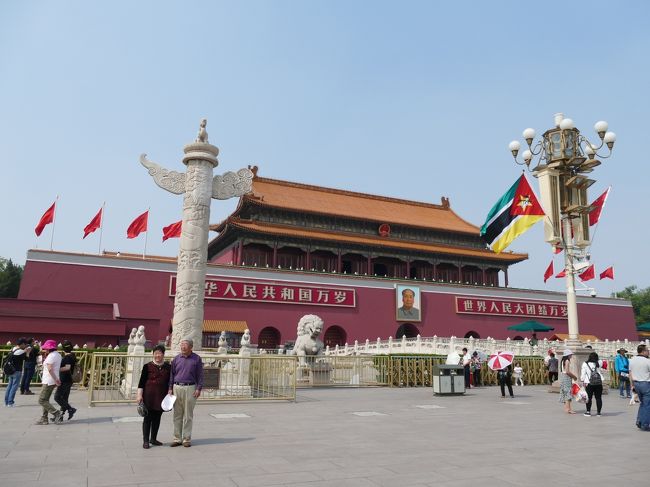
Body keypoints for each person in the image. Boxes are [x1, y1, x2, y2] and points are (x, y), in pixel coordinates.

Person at [168, 338, 204, 447]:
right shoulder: (176, 359)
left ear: (191, 347)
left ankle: (186, 439)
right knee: (177, 415)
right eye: (182, 344)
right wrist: (170, 388)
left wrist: (198, 388)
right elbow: (172, 375)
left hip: (190, 388)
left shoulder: (196, 359)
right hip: (177, 387)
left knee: (188, 415)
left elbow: (200, 375)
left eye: (185, 345)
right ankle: (177, 438)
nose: (182, 347)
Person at [137, 344, 171, 449]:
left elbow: (170, 381)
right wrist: (139, 395)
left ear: (163, 354)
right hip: (149, 396)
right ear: (153, 354)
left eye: (159, 353)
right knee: (147, 418)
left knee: (157, 418)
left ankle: (153, 438)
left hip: (161, 396)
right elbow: (141, 382)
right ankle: (146, 440)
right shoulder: (147, 366)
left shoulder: (168, 367)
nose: (157, 356)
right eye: (155, 354)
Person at [36, 340, 63, 425]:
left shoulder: (51, 356)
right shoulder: (58, 355)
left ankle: (56, 413)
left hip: (49, 380)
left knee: (41, 400)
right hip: (52, 380)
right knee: (45, 399)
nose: (45, 350)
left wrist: (55, 379)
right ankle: (44, 418)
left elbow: (50, 369)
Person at [629, 343, 650, 431]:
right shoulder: (647, 361)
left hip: (636, 384)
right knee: (647, 405)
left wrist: (632, 385)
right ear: (643, 351)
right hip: (646, 384)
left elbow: (630, 374)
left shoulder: (632, 360)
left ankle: (639, 421)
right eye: (647, 350)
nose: (648, 352)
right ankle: (645, 424)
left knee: (642, 403)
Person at [54, 340, 77, 421]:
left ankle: (71, 409)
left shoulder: (68, 357)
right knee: (64, 398)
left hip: (65, 379)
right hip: (69, 380)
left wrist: (56, 369)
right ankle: (61, 416)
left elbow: (67, 368)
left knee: (57, 397)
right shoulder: (72, 355)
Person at [4, 337, 28, 407]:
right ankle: (10, 402)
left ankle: (6, 402)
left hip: (10, 370)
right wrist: (27, 352)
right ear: (22, 344)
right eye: (25, 344)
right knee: (14, 387)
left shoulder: (13, 349)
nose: (25, 346)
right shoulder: (21, 351)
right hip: (17, 371)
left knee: (9, 386)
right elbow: (26, 359)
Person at [581, 351, 604, 417]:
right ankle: (598, 413)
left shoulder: (585, 364)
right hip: (599, 383)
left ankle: (588, 412)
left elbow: (583, 374)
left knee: (589, 398)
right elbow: (600, 361)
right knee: (598, 398)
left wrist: (582, 381)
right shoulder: (599, 363)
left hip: (589, 383)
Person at [558, 349, 578, 414]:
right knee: (568, 392)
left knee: (565, 392)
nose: (571, 355)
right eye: (571, 354)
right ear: (568, 355)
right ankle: (569, 409)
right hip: (566, 378)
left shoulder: (562, 361)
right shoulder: (567, 361)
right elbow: (567, 371)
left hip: (562, 377)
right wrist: (574, 377)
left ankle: (566, 408)